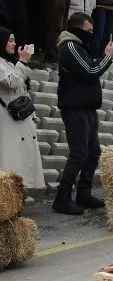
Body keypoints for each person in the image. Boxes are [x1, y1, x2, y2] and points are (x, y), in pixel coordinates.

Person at [52, 12, 113, 215]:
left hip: (86, 107)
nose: (92, 33)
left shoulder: (79, 46)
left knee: (93, 152)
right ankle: (62, 197)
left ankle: (83, 193)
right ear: (78, 29)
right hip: (75, 107)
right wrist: (107, 57)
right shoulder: (70, 46)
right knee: (79, 153)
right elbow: (90, 71)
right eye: (89, 30)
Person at [0, 27, 45, 190]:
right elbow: (13, 82)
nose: (14, 43)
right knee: (10, 156)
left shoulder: (10, 61)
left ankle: (18, 193)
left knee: (22, 156)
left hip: (20, 117)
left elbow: (23, 88)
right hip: (6, 118)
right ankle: (8, 195)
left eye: (14, 40)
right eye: (10, 40)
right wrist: (23, 61)